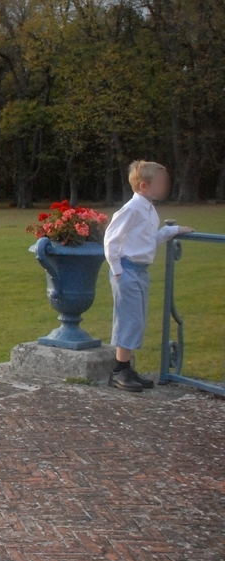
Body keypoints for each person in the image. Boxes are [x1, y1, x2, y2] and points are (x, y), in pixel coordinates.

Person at [104, 161, 195, 392]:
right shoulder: (132, 209)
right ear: (144, 186)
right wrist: (117, 270)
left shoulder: (149, 209)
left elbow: (149, 239)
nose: (165, 187)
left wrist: (173, 230)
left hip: (140, 272)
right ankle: (118, 371)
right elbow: (110, 239)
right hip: (126, 270)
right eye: (160, 183)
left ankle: (125, 367)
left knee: (138, 319)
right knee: (129, 319)